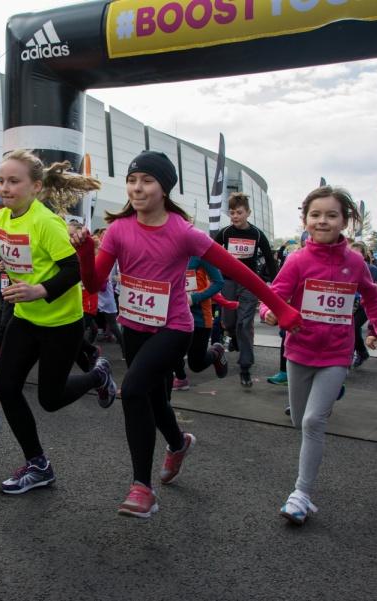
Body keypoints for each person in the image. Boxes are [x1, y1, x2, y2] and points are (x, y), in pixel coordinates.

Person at [75, 151, 300, 518]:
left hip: (174, 327)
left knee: (131, 390)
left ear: (164, 188)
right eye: (133, 180)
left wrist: (280, 307)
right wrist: (86, 252)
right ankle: (179, 444)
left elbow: (240, 274)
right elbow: (94, 282)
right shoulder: (118, 230)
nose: (137, 187)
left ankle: (141, 488)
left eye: (146, 181)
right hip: (134, 326)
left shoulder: (182, 232)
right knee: (155, 400)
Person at [0, 149, 116, 496]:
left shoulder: (46, 223)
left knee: (51, 399)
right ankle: (38, 464)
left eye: (14, 181)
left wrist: (38, 290)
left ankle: (97, 374)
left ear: (36, 186)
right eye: (1, 181)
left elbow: (73, 271)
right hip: (26, 319)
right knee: (6, 386)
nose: (4, 188)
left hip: (61, 321)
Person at [262, 185, 377, 525]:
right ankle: (327, 395)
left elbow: (373, 299)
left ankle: (301, 494)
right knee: (298, 419)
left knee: (312, 421)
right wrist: (269, 312)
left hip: (337, 352)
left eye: (331, 215)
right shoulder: (297, 260)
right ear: (305, 220)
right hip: (300, 350)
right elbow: (275, 293)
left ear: (345, 221)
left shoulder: (354, 262)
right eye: (316, 215)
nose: (323, 221)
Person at [214, 192, 278, 387]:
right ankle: (231, 335)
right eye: (232, 212)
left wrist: (275, 285)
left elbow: (269, 259)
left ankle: (245, 367)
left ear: (248, 213)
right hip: (228, 282)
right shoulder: (225, 233)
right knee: (229, 322)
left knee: (245, 324)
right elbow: (210, 253)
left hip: (249, 283)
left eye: (239, 212)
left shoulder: (257, 234)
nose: (235, 216)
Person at [172, 256, 227, 391]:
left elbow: (219, 282)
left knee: (196, 364)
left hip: (199, 317)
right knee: (171, 350)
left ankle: (216, 353)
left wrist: (194, 298)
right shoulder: (168, 252)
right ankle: (181, 378)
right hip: (175, 314)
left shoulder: (200, 254)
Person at [349, 241, 377, 368]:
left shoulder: (370, 268)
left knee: (353, 327)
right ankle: (351, 354)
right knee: (348, 328)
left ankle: (360, 353)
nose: (354, 255)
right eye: (351, 252)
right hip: (348, 303)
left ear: (364, 255)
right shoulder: (344, 267)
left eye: (358, 253)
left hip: (364, 304)